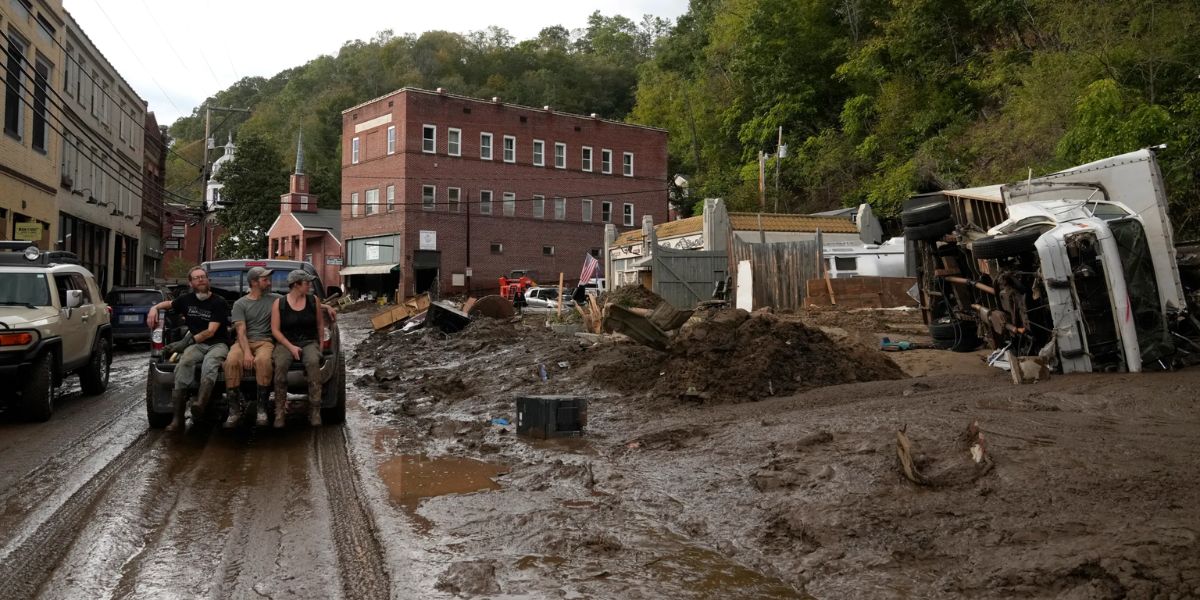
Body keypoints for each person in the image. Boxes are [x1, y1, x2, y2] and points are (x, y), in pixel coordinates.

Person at [146, 266, 230, 432]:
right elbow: (168, 304)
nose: (200, 280)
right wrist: (153, 309)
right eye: (197, 278)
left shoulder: (218, 302)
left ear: (208, 280)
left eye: (203, 277)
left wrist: (184, 343)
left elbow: (211, 331)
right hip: (197, 345)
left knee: (210, 364)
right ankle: (177, 419)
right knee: (184, 363)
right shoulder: (186, 300)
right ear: (191, 283)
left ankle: (200, 403)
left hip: (218, 343)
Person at [222, 266, 279, 428]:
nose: (268, 282)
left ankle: (262, 409)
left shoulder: (274, 299)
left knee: (263, 361)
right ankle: (234, 411)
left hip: (265, 341)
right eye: (265, 279)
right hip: (243, 342)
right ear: (254, 282)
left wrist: (324, 306)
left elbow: (297, 300)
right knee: (231, 361)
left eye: (268, 279)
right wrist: (247, 353)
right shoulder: (240, 304)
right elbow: (241, 330)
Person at [271, 270, 326, 427]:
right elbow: (275, 330)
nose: (309, 285)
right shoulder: (279, 304)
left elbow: (320, 324)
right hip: (285, 342)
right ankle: (280, 411)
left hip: (309, 341)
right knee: (280, 366)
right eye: (307, 283)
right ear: (296, 285)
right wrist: (291, 347)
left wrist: (321, 345)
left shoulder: (313, 300)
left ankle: (315, 410)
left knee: (313, 363)